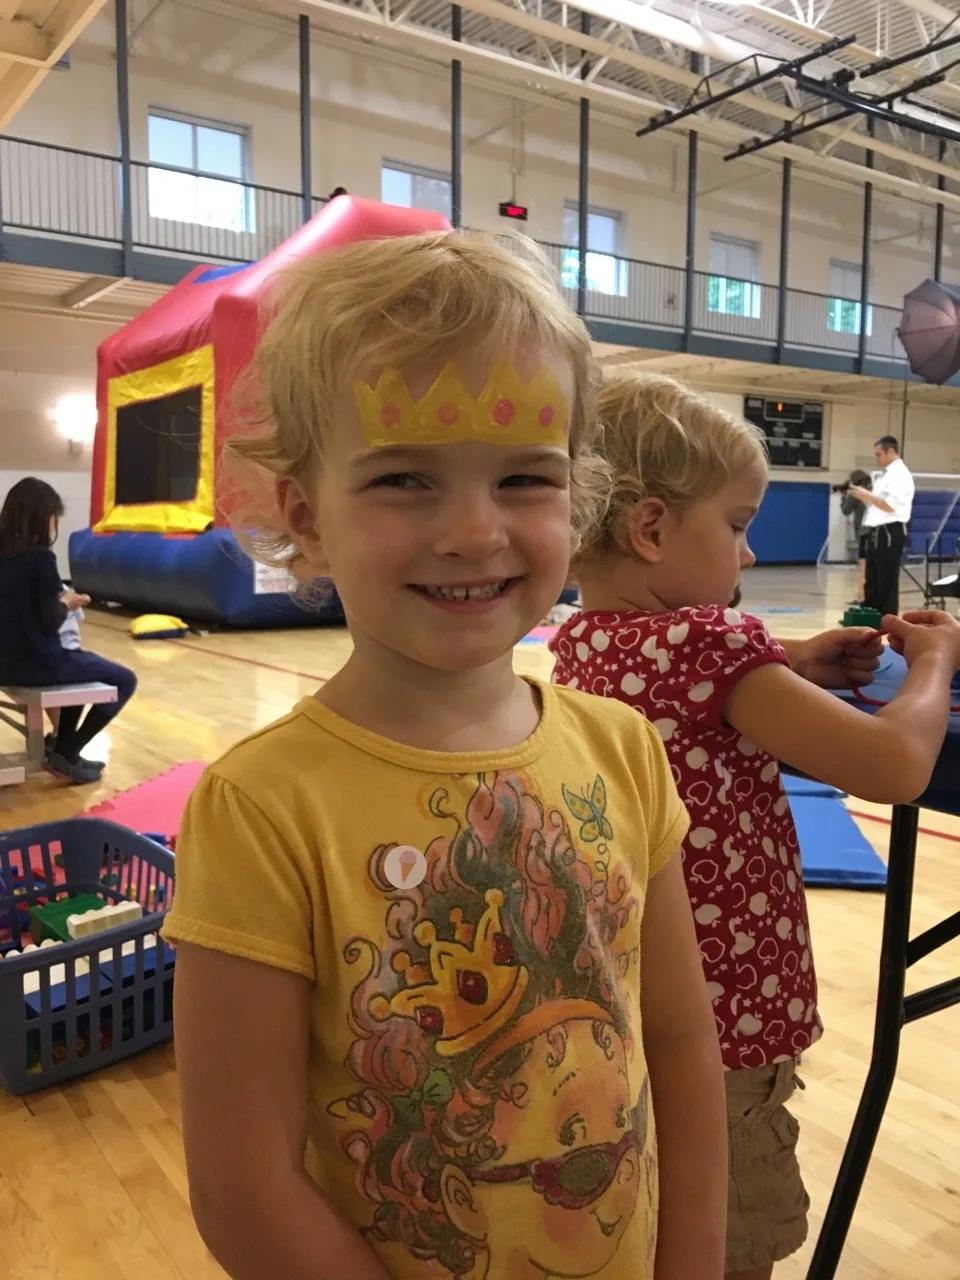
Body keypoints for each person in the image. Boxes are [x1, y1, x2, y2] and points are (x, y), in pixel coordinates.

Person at [162, 233, 728, 1280]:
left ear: (576, 492)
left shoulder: (623, 749)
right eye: (406, 479)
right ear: (303, 516)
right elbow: (245, 1187)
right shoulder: (263, 809)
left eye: (523, 477)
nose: (474, 531)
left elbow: (685, 1046)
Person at [548, 371, 960, 1280]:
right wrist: (933, 664)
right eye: (736, 529)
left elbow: (692, 693)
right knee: (731, 1238)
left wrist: (795, 662)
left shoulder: (582, 639)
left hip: (624, 1010)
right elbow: (896, 766)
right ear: (651, 530)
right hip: (726, 1019)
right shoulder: (711, 648)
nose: (744, 558)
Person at [0, 477, 138, 783]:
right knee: (125, 679)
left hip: (5, 664)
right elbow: (51, 620)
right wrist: (70, 602)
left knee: (79, 668)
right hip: (37, 665)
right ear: (43, 518)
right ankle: (67, 750)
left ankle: (65, 752)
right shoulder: (41, 559)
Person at [847, 435, 914, 617]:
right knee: (872, 577)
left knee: (886, 578)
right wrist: (862, 496)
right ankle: (870, 615)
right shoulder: (887, 475)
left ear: (890, 451)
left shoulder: (901, 475)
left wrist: (867, 496)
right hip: (877, 530)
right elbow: (877, 505)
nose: (876, 458)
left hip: (890, 530)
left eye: (878, 454)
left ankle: (887, 618)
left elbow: (890, 505)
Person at [839, 468, 872, 605]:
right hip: (874, 532)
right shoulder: (871, 492)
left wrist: (844, 496)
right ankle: (864, 595)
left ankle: (861, 597)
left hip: (863, 533)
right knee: (869, 567)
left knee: (863, 567)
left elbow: (846, 510)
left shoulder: (855, 494)